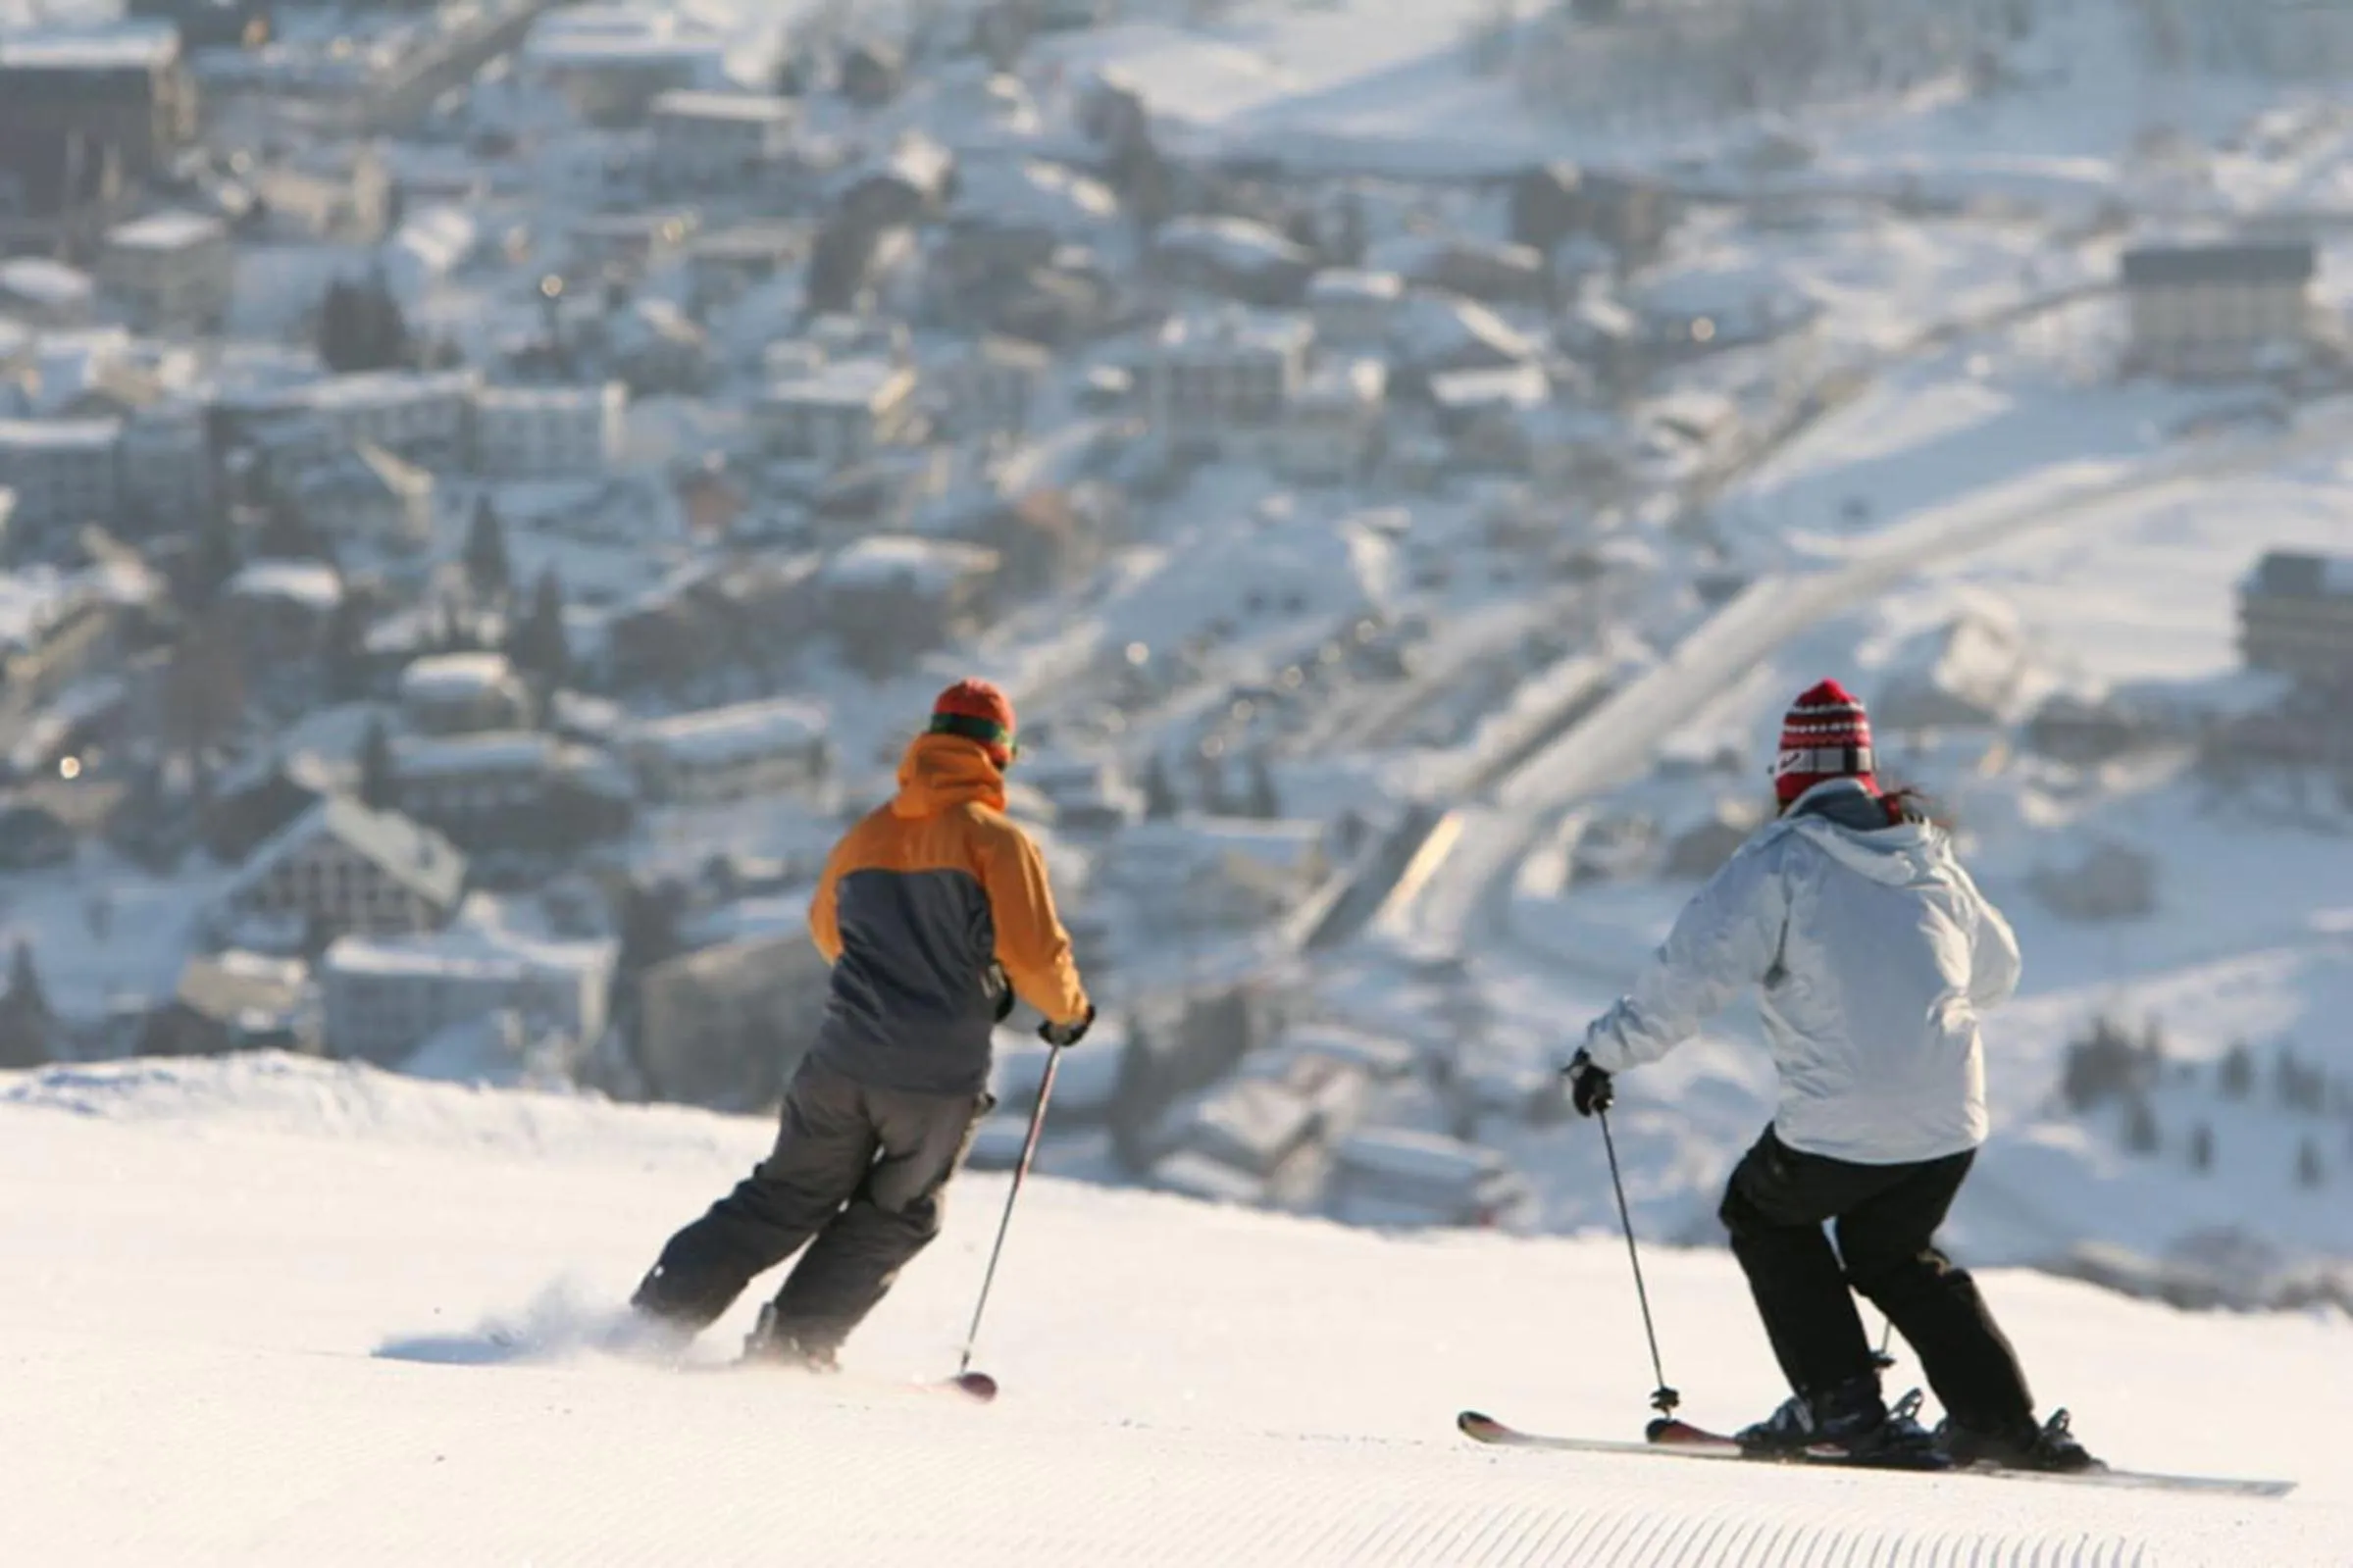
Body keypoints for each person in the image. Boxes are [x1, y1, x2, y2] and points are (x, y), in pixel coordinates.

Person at [1560, 679, 2097, 1473]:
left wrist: (1604, 1053)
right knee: (1892, 1252)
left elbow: (1689, 975)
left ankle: (1840, 1405)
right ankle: (1998, 1421)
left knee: (1763, 1211)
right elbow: (1997, 973)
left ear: (1790, 772)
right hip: (1949, 1126)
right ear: (1865, 769)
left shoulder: (1781, 862)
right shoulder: (1926, 853)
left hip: (1844, 1117)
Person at [631, 679, 1095, 1368]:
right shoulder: (997, 840)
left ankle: (650, 1325)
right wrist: (1067, 1013)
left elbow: (828, 933)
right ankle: (789, 1348)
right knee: (897, 1211)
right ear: (998, 756)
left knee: (783, 1195)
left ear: (926, 744)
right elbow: (1032, 953)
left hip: (840, 1059)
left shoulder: (866, 835)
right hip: (932, 1074)